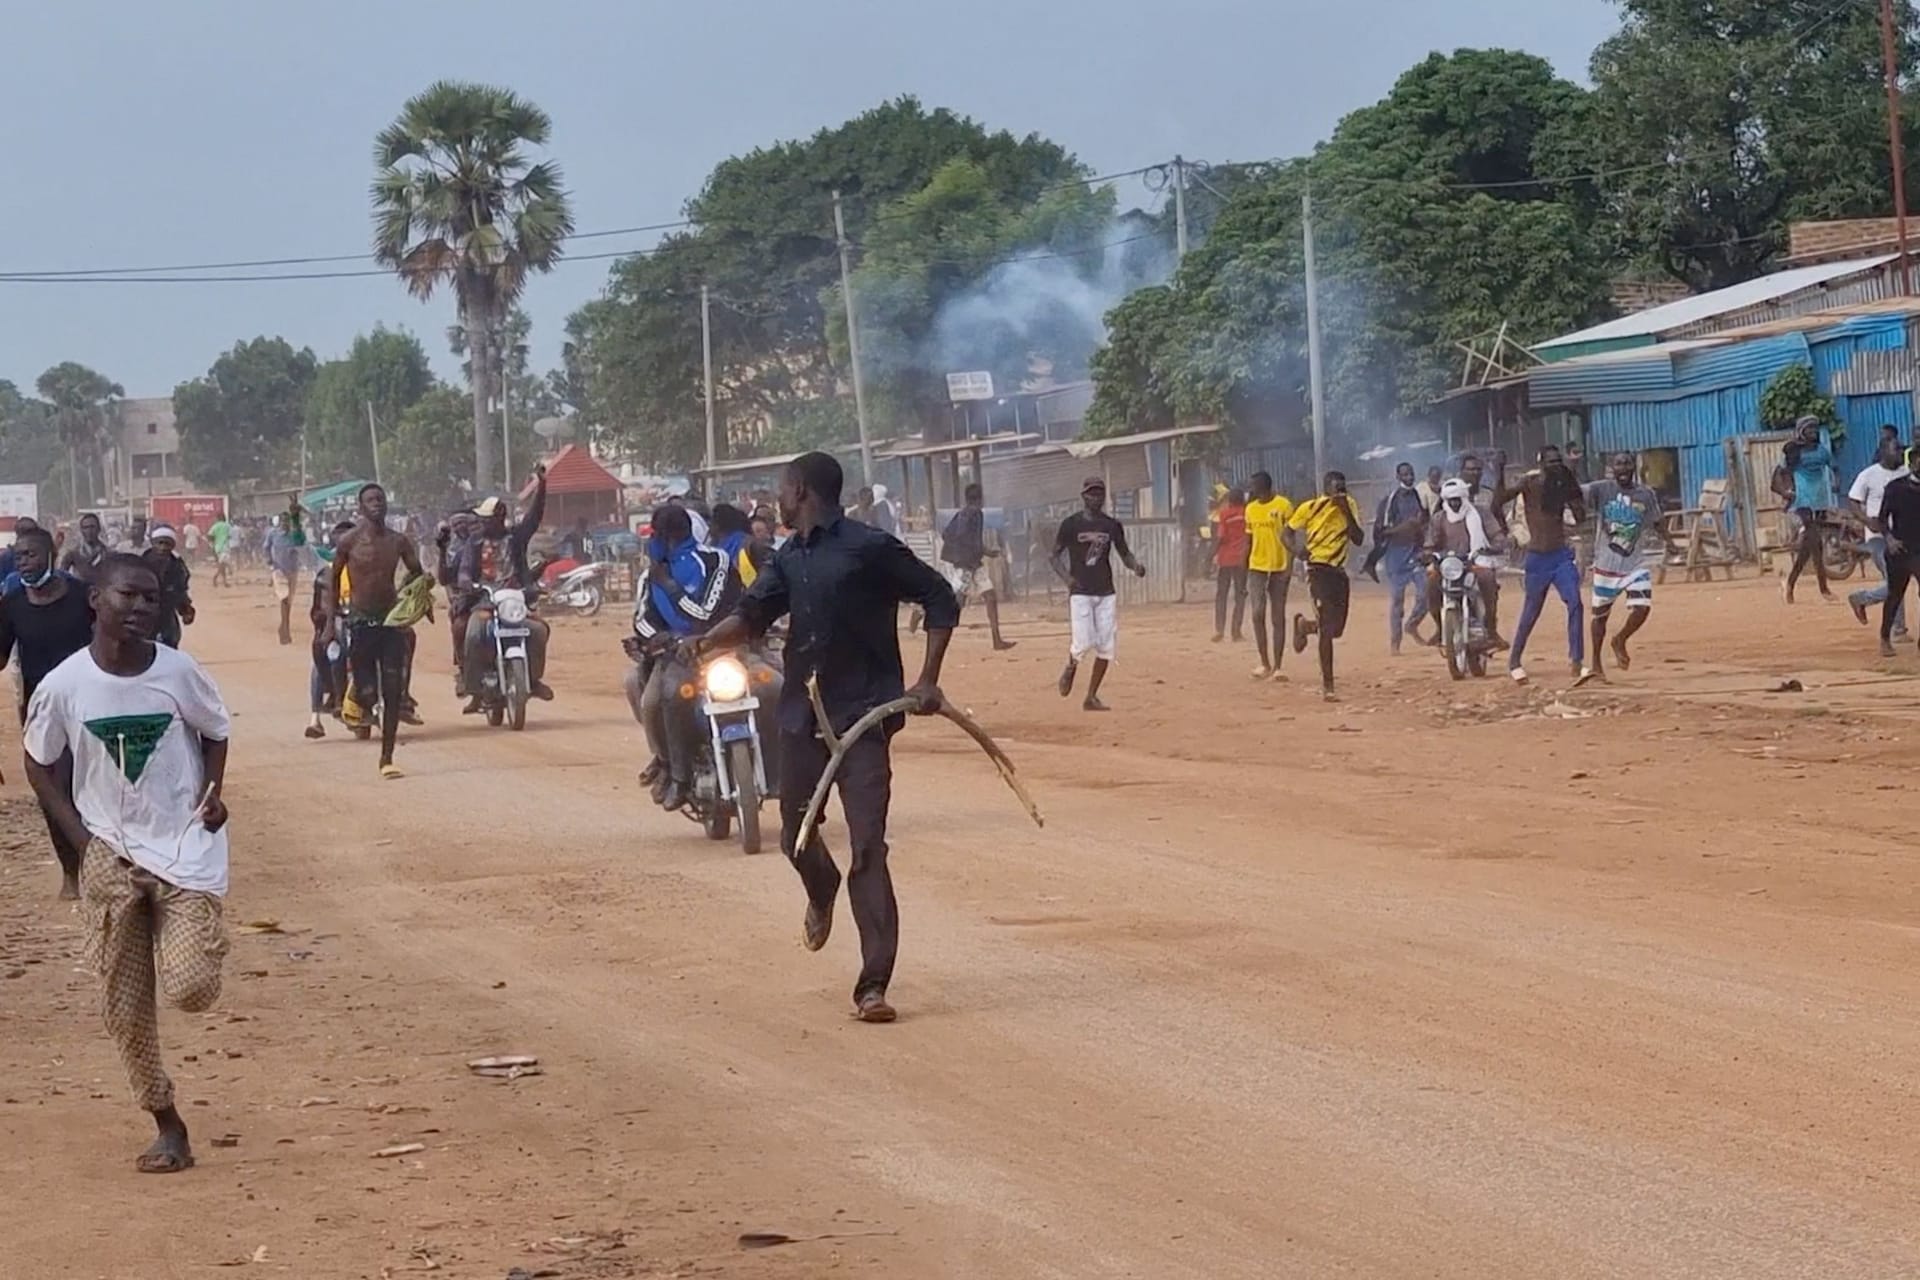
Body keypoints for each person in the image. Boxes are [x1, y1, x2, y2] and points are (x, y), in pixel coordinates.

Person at [693, 451, 958, 1023]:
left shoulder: (870, 548)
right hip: (802, 718)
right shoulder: (789, 558)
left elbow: (940, 596)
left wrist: (929, 680)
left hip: (865, 717)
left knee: (869, 847)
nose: (777, 501)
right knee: (794, 837)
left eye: (782, 490)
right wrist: (705, 642)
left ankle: (873, 985)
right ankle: (820, 888)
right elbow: (752, 614)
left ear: (802, 491)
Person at [22, 552, 232, 1175]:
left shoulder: (179, 673)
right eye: (128, 596)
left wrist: (213, 792)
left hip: (181, 847)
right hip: (109, 857)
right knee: (125, 1006)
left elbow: (216, 730)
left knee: (192, 986)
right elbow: (38, 762)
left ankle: (197, 944)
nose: (141, 608)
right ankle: (167, 1124)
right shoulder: (63, 685)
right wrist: (82, 841)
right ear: (96, 600)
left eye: (151, 598)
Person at [0, 526, 95, 897]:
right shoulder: (12, 606)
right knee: (53, 791)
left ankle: (102, 863)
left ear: (51, 556)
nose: (24, 563)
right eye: (19, 557)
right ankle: (71, 871)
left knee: (91, 785)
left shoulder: (83, 596)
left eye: (31, 556)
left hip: (90, 705)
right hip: (40, 710)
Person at [631, 503, 743, 809]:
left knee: (773, 686)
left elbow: (707, 612)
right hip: (676, 654)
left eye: (653, 535)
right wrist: (659, 637)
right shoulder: (649, 574)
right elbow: (641, 618)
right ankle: (675, 771)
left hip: (721, 645)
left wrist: (670, 586)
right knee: (657, 698)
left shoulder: (713, 560)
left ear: (664, 536)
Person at [331, 484, 427, 779]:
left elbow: (416, 572)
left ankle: (387, 757)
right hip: (360, 622)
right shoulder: (349, 541)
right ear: (361, 507)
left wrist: (417, 596)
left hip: (390, 622)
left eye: (380, 499)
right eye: (370, 500)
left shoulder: (399, 541)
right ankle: (359, 698)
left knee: (393, 689)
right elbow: (333, 577)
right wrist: (331, 619)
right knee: (368, 691)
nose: (376, 504)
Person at [457, 468, 552, 709]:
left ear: (497, 518)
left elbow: (534, 517)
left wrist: (542, 485)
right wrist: (467, 581)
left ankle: (532, 679)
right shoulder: (474, 542)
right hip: (485, 601)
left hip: (515, 602)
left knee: (539, 631)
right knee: (474, 633)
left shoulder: (515, 539)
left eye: (485, 518)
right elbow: (465, 569)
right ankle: (473, 686)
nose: (481, 522)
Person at [1052, 476, 1146, 711]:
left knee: (1106, 646)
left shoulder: (1111, 525)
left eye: (1099, 494)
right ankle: (1071, 665)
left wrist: (1135, 566)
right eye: (1091, 494)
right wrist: (1067, 579)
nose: (1095, 498)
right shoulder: (1071, 524)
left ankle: (1091, 696)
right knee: (1083, 642)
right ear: (1083, 496)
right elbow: (1054, 556)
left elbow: (1125, 553)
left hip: (1105, 590)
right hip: (1080, 591)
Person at [1497, 446, 1588, 684]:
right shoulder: (1530, 483)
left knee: (1575, 602)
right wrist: (1499, 470)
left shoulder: (1562, 484)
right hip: (1537, 558)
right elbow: (1498, 502)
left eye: (1558, 461)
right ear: (1541, 463)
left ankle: (1576, 661)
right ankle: (1514, 661)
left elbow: (1581, 518)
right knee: (1531, 612)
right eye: (1551, 461)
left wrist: (1573, 489)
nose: (1555, 465)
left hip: (1560, 555)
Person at [1577, 452, 1665, 684]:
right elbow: (1576, 493)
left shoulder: (1645, 494)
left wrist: (1671, 542)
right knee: (1600, 618)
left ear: (1633, 467)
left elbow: (1657, 521)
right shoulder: (1600, 490)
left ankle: (1620, 640)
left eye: (1627, 463)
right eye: (1619, 464)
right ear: (1611, 468)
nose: (1623, 467)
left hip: (1634, 563)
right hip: (1606, 565)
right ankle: (1596, 663)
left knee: (1642, 608)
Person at [1287, 472, 1364, 702]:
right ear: (1326, 488)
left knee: (1336, 629)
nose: (1341, 492)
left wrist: (1346, 511)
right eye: (1337, 488)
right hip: (1317, 570)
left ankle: (1304, 626)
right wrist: (1296, 550)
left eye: (1343, 487)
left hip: (1338, 572)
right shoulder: (1310, 507)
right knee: (1327, 630)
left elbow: (1358, 538)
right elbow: (1286, 532)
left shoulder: (1349, 505)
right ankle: (1328, 685)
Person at [1847, 432, 1910, 635]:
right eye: (1896, 449)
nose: (1901, 453)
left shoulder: (1906, 472)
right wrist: (1866, 520)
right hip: (1878, 537)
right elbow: (1853, 500)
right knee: (1894, 579)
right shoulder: (1869, 475)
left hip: (1903, 534)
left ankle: (1863, 599)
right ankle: (1897, 627)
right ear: (1884, 451)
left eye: (1901, 449)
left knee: (1899, 578)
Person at [940, 483, 1014, 650]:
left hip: (971, 562)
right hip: (967, 565)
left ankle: (997, 640)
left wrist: (979, 551)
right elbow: (968, 539)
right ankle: (926, 616)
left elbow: (947, 534)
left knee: (989, 596)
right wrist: (985, 551)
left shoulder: (961, 514)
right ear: (979, 498)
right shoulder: (976, 513)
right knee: (957, 602)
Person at [1367, 463, 1430, 653]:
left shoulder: (1418, 496)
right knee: (1397, 601)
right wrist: (1405, 527)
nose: (1409, 478)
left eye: (1411, 474)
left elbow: (1422, 523)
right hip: (1395, 555)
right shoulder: (1390, 501)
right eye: (1405, 474)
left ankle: (1412, 624)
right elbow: (1381, 532)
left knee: (1426, 592)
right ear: (1398, 476)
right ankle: (1395, 643)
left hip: (1415, 554)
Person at [305, 521, 356, 740]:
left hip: (362, 618)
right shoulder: (325, 572)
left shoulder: (365, 566)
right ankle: (319, 714)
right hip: (336, 623)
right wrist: (324, 622)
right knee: (329, 654)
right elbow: (318, 608)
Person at [1243, 471, 1296, 679]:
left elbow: (1291, 538)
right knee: (1257, 613)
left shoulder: (1283, 506)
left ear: (1262, 487)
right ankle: (1264, 662)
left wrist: (1290, 567)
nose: (1250, 490)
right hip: (1257, 567)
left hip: (1279, 566)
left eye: (1253, 486)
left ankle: (1278, 666)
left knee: (1277, 616)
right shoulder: (1251, 509)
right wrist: (1243, 568)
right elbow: (1248, 541)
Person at [1782, 415, 1838, 604]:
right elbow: (1782, 473)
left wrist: (1836, 481)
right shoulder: (1794, 452)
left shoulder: (1822, 451)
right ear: (1801, 431)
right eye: (1809, 429)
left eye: (1815, 429)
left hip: (1820, 500)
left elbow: (1833, 467)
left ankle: (1790, 583)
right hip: (1802, 500)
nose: (1813, 433)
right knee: (1816, 541)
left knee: (1810, 547)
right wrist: (1787, 492)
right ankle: (1824, 588)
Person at [1875, 464, 1920, 655]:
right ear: (1913, 463)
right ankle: (1885, 637)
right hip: (1900, 549)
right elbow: (1882, 519)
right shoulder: (1896, 487)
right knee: (1895, 595)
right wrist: (1890, 539)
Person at [141, 527, 195, 649]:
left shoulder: (177, 567)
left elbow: (181, 592)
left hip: (167, 620)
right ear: (153, 543)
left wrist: (186, 610)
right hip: (144, 618)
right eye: (160, 543)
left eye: (168, 544)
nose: (163, 547)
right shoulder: (141, 564)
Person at [1211, 486, 1250, 643]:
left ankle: (1219, 630)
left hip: (1225, 560)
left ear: (1229, 500)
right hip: (1241, 560)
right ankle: (1236, 632)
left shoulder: (1224, 514)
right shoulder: (1248, 514)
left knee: (1222, 595)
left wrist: (1210, 555)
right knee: (1240, 596)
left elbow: (1220, 537)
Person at [265, 510, 305, 644]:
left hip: (293, 570)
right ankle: (285, 628)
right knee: (285, 599)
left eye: (287, 521)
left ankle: (284, 625)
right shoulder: (273, 534)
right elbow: (266, 547)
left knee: (289, 600)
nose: (285, 524)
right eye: (283, 521)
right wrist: (269, 560)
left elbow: (302, 547)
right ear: (280, 522)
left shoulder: (295, 535)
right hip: (279, 570)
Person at [59, 512, 111, 581]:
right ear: (81, 530)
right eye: (85, 527)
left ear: (99, 529)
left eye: (92, 527)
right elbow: (61, 577)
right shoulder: (73, 554)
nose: (89, 531)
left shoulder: (108, 553)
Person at [207, 513, 233, 587]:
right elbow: (230, 536)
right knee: (224, 564)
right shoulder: (227, 526)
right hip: (225, 547)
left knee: (222, 565)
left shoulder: (214, 526)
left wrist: (212, 543)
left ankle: (224, 582)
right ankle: (216, 577)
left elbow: (209, 535)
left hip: (217, 547)